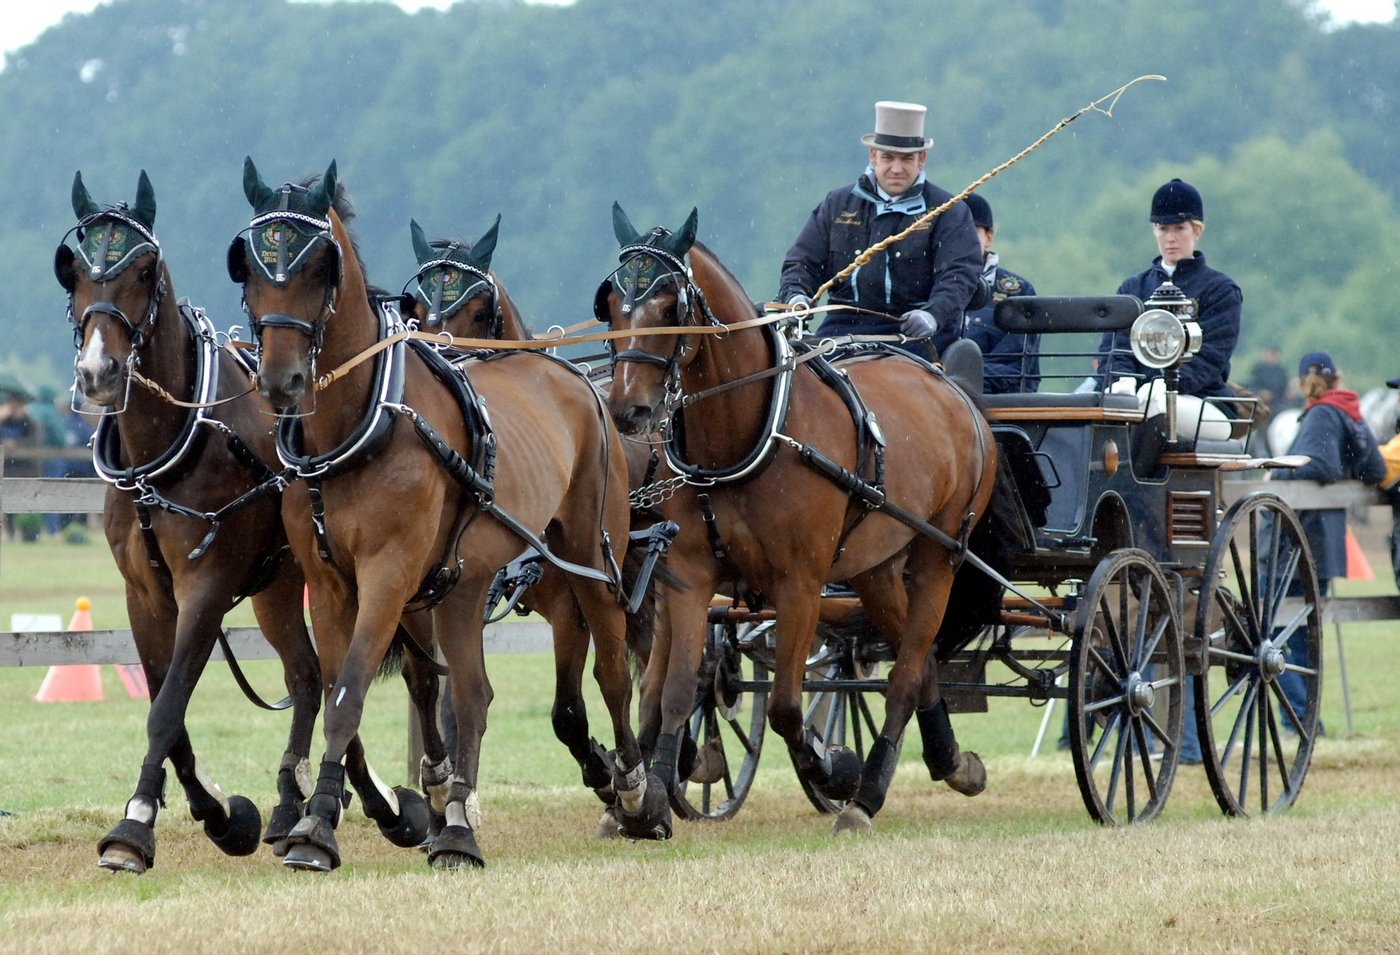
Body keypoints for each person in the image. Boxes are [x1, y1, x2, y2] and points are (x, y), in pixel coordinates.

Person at [778, 100, 982, 362]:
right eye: (887, 157)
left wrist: (933, 314)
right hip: (842, 327)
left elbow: (960, 273)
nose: (896, 168)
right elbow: (802, 262)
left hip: (915, 333)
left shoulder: (949, 211)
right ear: (872, 156)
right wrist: (796, 296)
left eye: (906, 158)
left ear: (922, 159)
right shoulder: (837, 204)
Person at [1270, 351, 1385, 733]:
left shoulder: (1321, 413)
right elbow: (1376, 470)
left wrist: (1278, 477)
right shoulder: (1350, 410)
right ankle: (1305, 722)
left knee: (1266, 635)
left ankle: (1301, 720)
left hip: (1300, 537)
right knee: (1302, 638)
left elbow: (1321, 465)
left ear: (1305, 380)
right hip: (1325, 540)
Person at [1096, 179, 1242, 441]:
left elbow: (1210, 357)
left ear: (1197, 231)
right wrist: (1123, 380)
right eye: (1163, 229)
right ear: (1154, 230)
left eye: (1179, 228)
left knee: (1155, 404)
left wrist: (1165, 383)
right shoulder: (1133, 288)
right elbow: (1114, 348)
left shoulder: (1219, 290)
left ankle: (1131, 481)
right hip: (1139, 396)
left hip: (1204, 402)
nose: (1170, 238)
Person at [960, 192, 1040, 393]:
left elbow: (1014, 368)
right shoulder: (927, 287)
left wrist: (955, 377)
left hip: (998, 405)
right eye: (953, 233)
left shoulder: (1018, 292)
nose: (960, 241)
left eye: (970, 232)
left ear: (989, 237)